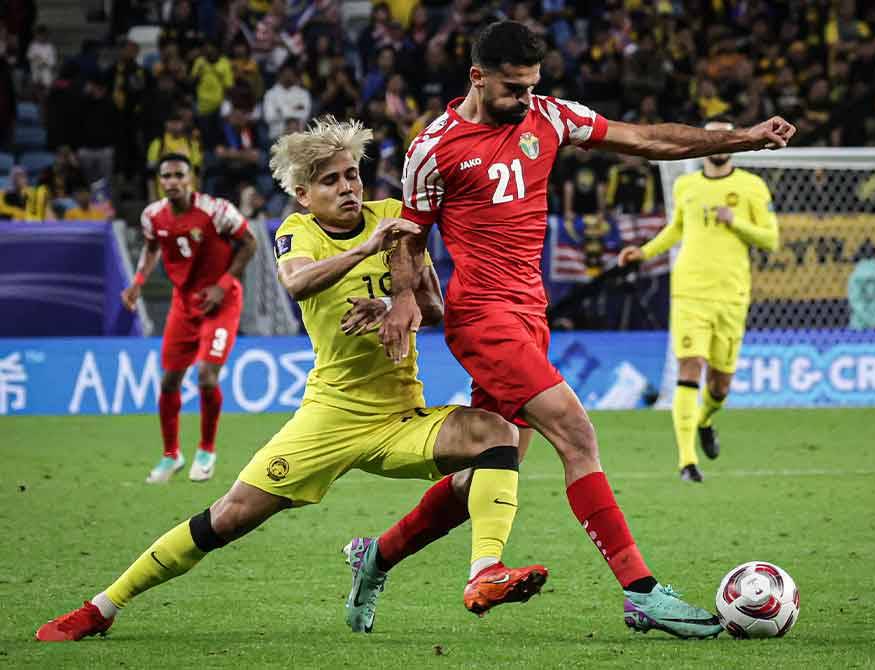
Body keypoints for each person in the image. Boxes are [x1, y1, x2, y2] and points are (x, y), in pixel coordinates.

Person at [35, 118, 546, 642]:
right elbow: (298, 282)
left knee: (498, 435)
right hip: (329, 417)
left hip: (399, 416)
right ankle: (102, 606)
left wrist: (395, 303)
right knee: (228, 517)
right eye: (331, 181)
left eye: (352, 175)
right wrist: (365, 250)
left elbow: (434, 305)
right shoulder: (297, 232)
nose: (348, 187)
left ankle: (484, 572)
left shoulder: (393, 218)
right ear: (303, 194)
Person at [377, 21, 794, 639]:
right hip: (483, 318)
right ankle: (641, 591)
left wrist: (741, 139)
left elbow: (646, 139)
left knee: (482, 478)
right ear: (477, 77)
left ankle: (375, 558)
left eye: (531, 87)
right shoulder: (433, 147)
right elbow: (409, 236)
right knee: (576, 433)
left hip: (530, 314)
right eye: (512, 88)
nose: (524, 99)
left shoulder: (551, 117)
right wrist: (406, 297)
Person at [618, 118, 780, 482]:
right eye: (712, 137)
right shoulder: (687, 185)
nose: (718, 143)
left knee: (720, 386)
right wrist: (642, 254)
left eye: (724, 136)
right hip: (690, 291)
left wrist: (735, 221)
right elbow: (676, 229)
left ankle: (705, 419)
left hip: (731, 294)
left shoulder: (752, 187)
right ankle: (687, 462)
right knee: (689, 368)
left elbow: (770, 239)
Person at [120, 153, 258, 484]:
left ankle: (206, 451)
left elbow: (250, 244)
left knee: (206, 377)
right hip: (183, 305)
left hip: (221, 303)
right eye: (165, 176)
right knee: (168, 382)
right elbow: (152, 248)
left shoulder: (217, 210)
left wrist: (223, 285)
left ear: (190, 178)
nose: (171, 182)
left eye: (178, 175)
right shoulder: (152, 216)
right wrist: (138, 283)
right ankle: (171, 456)